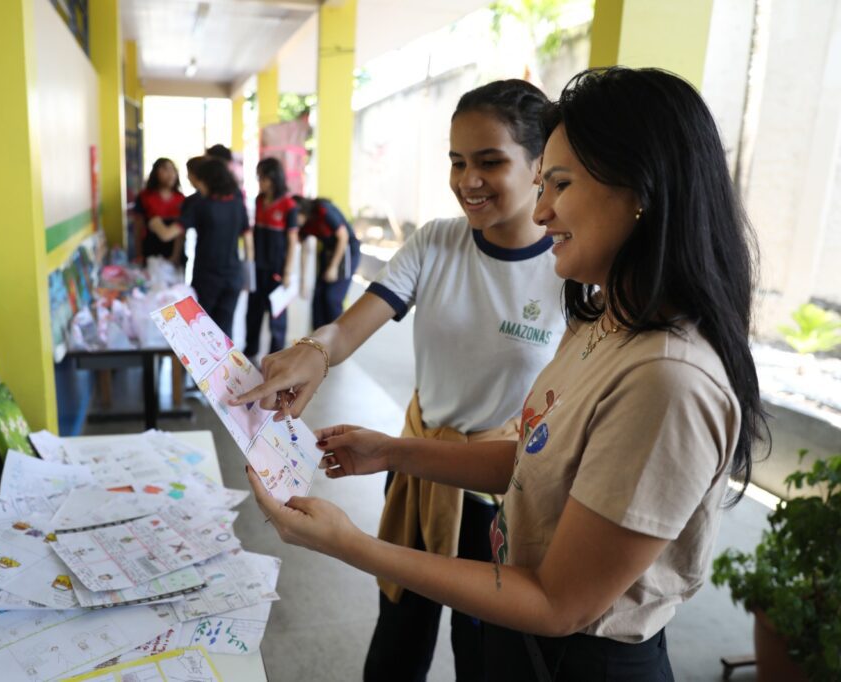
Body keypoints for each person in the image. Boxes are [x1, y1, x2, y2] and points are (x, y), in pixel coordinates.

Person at [246, 67, 767, 680]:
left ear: (641, 192)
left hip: (577, 659)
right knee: (400, 644)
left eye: (559, 183)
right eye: (456, 161)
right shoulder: (600, 319)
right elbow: (534, 456)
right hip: (523, 620)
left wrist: (347, 543)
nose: (544, 210)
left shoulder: (669, 381)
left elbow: (558, 602)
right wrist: (389, 447)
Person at [233, 80, 566, 681]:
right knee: (397, 640)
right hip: (416, 467)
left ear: (541, 164)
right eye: (457, 162)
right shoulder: (438, 241)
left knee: (484, 653)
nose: (469, 180)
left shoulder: (569, 269)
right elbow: (347, 328)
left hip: (505, 497)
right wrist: (312, 351)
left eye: (490, 161)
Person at [153, 157, 248, 337]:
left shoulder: (201, 204)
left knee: (202, 330)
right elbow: (248, 237)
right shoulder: (237, 202)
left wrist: (155, 222)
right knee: (225, 331)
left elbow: (168, 234)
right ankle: (228, 365)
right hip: (233, 276)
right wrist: (248, 272)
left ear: (208, 181)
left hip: (208, 278)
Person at [244, 157, 300, 358]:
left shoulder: (289, 205)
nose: (260, 182)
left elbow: (292, 241)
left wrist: (287, 272)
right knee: (253, 311)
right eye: (259, 177)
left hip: (277, 268)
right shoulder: (259, 200)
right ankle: (251, 350)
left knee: (277, 315)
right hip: (258, 266)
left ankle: (276, 356)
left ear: (274, 178)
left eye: (264, 178)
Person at [295, 195, 362, 328]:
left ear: (301, 211)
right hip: (328, 253)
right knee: (318, 298)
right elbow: (304, 250)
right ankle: (317, 342)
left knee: (332, 298)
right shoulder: (304, 225)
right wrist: (303, 281)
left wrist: (333, 267)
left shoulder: (322, 210)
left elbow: (343, 237)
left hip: (346, 250)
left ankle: (339, 339)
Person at [132, 157, 185, 267]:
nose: (170, 174)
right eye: (165, 169)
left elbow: (182, 231)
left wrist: (175, 256)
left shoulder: (182, 199)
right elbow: (138, 228)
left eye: (173, 169)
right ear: (155, 173)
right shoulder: (144, 197)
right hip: (151, 252)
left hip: (175, 255)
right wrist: (139, 254)